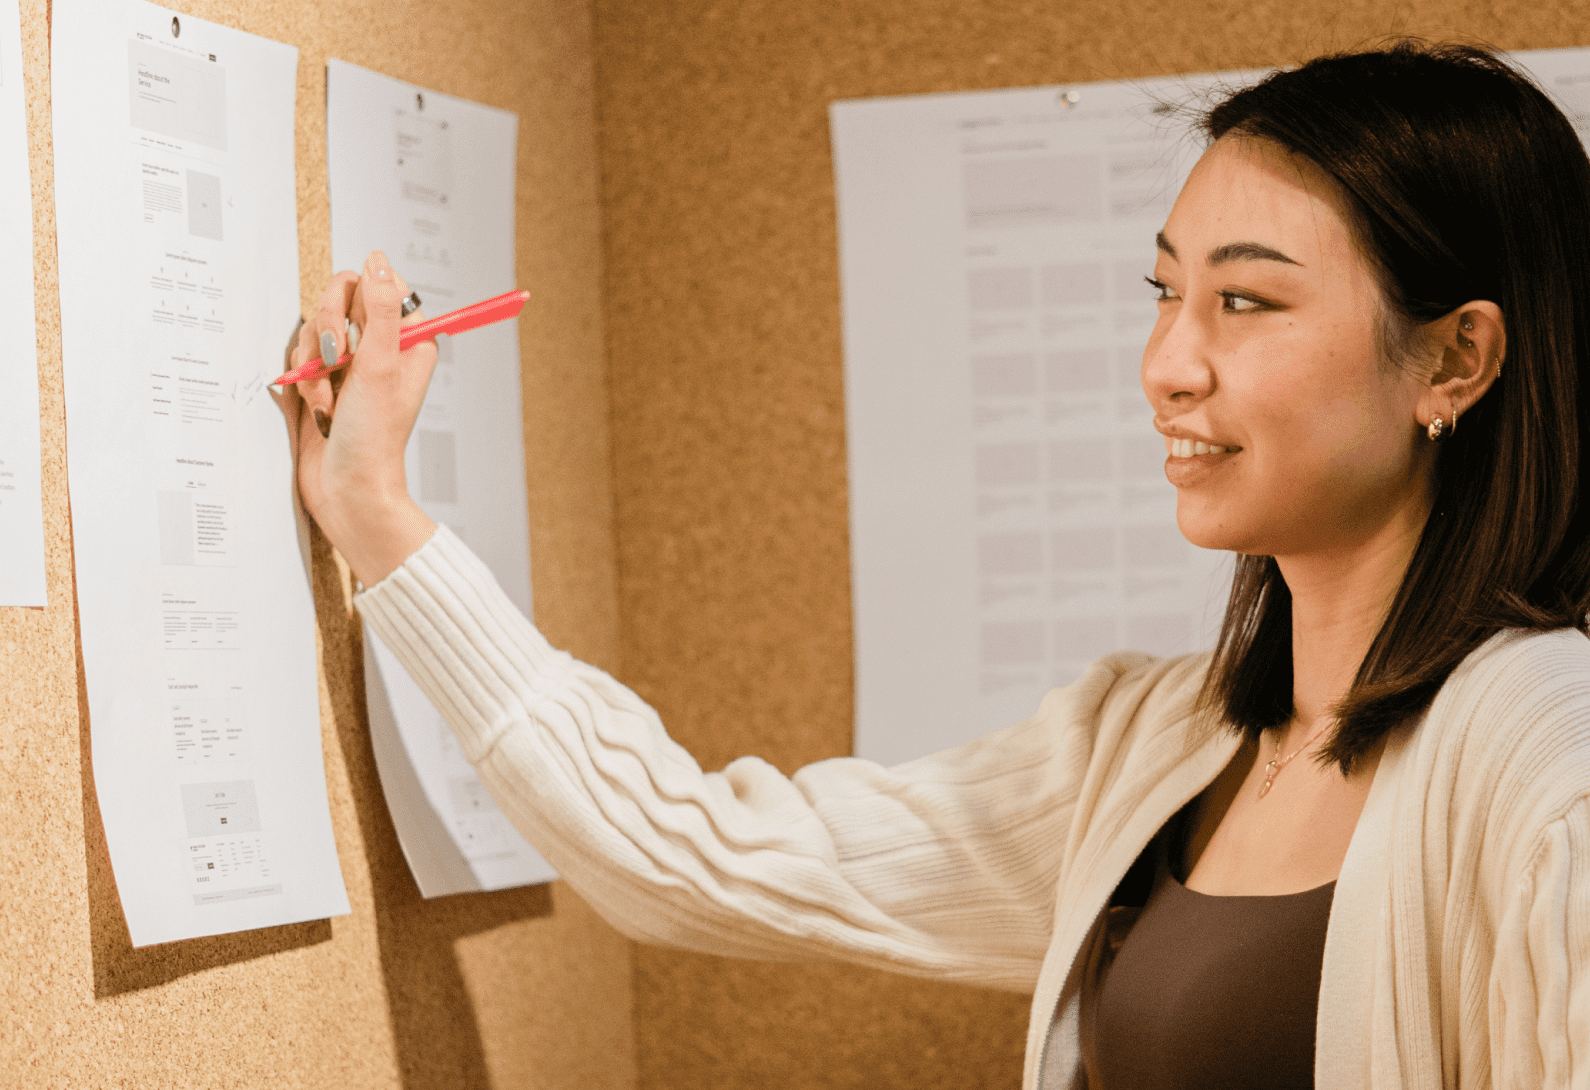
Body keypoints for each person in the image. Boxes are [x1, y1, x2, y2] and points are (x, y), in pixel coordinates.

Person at [280, 41, 1589, 1090]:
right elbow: (691, 854)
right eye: (1162, 293)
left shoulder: (1549, 756)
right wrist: (381, 518)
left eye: (1245, 301)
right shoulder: (1150, 745)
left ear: (1453, 362)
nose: (1167, 363)